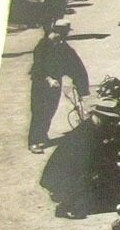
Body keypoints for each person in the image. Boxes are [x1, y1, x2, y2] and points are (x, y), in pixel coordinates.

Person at [29, 20, 89, 154]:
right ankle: (33, 142)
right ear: (58, 31)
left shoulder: (62, 46)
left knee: (50, 110)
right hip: (41, 84)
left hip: (56, 84)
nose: (66, 35)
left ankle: (42, 136)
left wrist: (81, 86)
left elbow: (75, 65)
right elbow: (38, 66)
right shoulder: (43, 45)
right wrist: (49, 79)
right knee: (39, 112)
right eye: (65, 33)